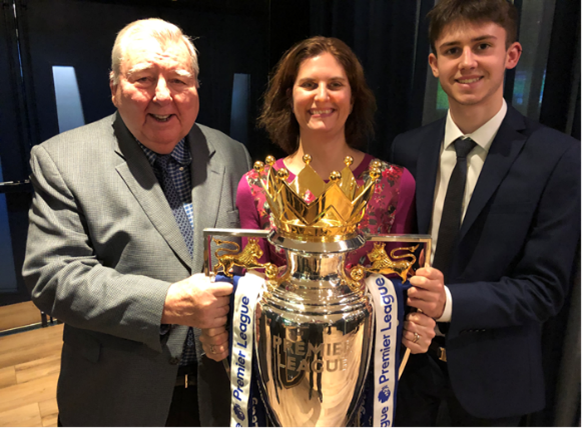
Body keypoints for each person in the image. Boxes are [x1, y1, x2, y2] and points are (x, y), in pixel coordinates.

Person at [22, 18, 251, 427]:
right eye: (144, 78)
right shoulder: (61, 159)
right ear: (114, 88)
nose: (163, 95)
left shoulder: (233, 153)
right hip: (118, 396)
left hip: (217, 395)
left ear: (196, 87)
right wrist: (166, 303)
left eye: (179, 80)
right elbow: (52, 275)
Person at [390, 0, 582, 426]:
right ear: (434, 64)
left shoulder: (559, 158)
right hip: (408, 372)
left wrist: (448, 302)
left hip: (496, 382)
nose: (467, 62)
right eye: (452, 50)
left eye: (482, 46)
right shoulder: (408, 149)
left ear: (511, 54)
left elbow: (545, 289)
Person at [203, 36, 436, 366]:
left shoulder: (395, 184)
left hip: (364, 364)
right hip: (283, 360)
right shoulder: (256, 186)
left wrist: (417, 322)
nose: (322, 96)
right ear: (290, 96)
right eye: (309, 84)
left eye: (335, 84)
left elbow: (400, 287)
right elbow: (251, 290)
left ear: (353, 98)